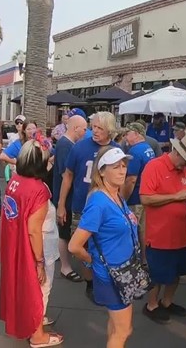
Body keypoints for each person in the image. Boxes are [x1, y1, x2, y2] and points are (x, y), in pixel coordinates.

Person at [69, 147, 139, 348]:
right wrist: (94, 260)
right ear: (101, 171)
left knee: (117, 327)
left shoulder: (115, 194)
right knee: (124, 330)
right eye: (115, 166)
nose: (122, 171)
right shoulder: (99, 202)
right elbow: (74, 245)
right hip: (113, 275)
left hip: (123, 271)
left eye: (124, 165)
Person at [0, 140, 63, 348]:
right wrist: (39, 261)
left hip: (15, 243)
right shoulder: (38, 189)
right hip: (37, 245)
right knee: (40, 288)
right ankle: (37, 335)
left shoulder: (15, 181)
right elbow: (34, 229)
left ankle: (33, 319)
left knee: (24, 287)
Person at [139, 134, 186, 324]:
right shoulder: (154, 166)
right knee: (157, 274)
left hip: (182, 234)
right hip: (160, 235)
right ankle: (151, 305)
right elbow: (146, 198)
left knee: (176, 272)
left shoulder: (185, 170)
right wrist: (176, 196)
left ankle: (167, 302)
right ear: (177, 152)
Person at [56, 111, 119, 303]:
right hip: (81, 206)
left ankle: (106, 280)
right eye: (94, 126)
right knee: (82, 246)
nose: (95, 131)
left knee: (106, 245)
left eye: (100, 128)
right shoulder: (80, 147)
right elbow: (67, 176)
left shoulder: (116, 150)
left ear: (109, 130)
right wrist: (61, 204)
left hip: (106, 208)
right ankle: (90, 282)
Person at [52, 114, 88, 282]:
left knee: (65, 231)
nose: (86, 132)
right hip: (64, 198)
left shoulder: (68, 144)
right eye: (84, 129)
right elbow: (66, 173)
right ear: (75, 129)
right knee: (64, 232)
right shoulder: (65, 146)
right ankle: (65, 267)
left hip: (68, 197)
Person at [121, 122, 156, 263]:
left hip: (135, 197)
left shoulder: (135, 152)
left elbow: (131, 179)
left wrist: (122, 199)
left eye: (127, 134)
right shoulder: (148, 149)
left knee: (132, 229)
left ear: (136, 134)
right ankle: (144, 259)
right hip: (145, 195)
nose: (125, 138)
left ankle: (132, 259)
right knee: (143, 230)